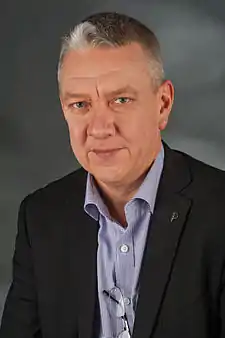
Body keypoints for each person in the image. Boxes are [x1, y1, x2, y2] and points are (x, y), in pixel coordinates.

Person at [1, 11, 225, 338]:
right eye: (80, 104)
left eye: (120, 100)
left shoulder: (219, 211)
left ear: (162, 104)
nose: (100, 128)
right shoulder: (40, 218)